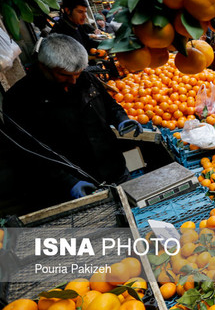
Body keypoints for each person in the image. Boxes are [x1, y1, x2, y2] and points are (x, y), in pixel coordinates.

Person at [3, 34, 141, 203]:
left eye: (77, 73)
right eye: (64, 75)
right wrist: (69, 182)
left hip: (115, 171)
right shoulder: (20, 99)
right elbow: (29, 152)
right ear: (43, 66)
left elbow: (110, 104)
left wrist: (122, 119)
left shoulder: (85, 78)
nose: (74, 81)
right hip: (75, 187)